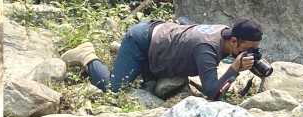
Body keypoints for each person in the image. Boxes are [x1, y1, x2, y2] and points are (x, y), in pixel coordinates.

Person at [60, 18, 266, 100]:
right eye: (248, 49)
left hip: (160, 42)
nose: (250, 54)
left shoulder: (224, 33)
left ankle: (123, 53)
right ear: (234, 40)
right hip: (142, 41)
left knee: (147, 78)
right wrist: (234, 70)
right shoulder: (207, 48)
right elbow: (212, 93)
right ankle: (87, 54)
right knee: (113, 89)